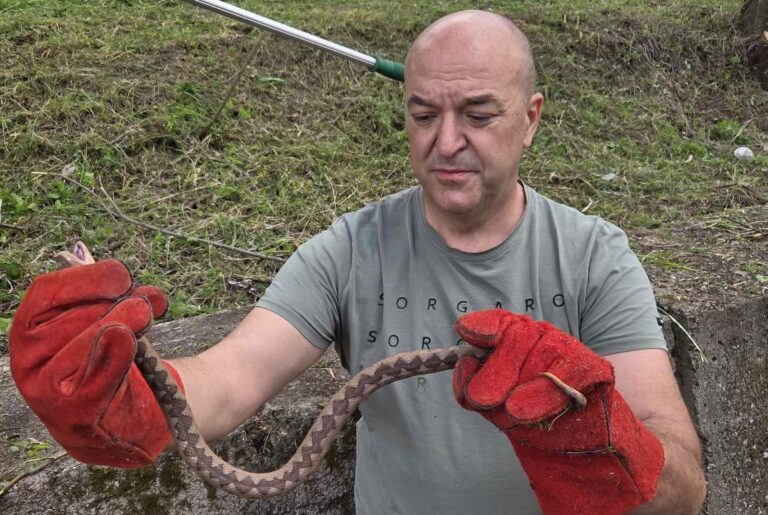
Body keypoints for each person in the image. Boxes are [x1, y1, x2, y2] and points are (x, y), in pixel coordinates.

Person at [10, 10, 706, 515]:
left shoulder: (593, 256)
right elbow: (233, 374)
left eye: (479, 114)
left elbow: (684, 484)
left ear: (531, 118)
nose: (447, 140)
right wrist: (132, 394)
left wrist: (609, 440)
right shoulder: (350, 250)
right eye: (423, 113)